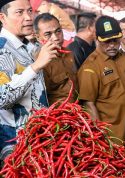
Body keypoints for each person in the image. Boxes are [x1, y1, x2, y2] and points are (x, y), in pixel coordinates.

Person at [0, 0, 59, 163]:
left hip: (37, 140)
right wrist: (36, 65)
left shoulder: (26, 47)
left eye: (30, 11)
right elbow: (2, 98)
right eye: (19, 12)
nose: (28, 17)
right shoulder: (2, 49)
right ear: (2, 18)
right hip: (16, 145)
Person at [77, 16, 125, 145]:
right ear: (97, 39)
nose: (112, 45)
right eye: (107, 41)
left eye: (115, 40)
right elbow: (88, 105)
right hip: (114, 139)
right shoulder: (90, 68)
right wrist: (100, 138)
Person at [34, 13, 78, 105]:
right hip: (56, 116)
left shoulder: (69, 54)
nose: (56, 37)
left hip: (75, 111)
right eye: (48, 34)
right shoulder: (39, 62)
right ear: (38, 37)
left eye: (58, 31)